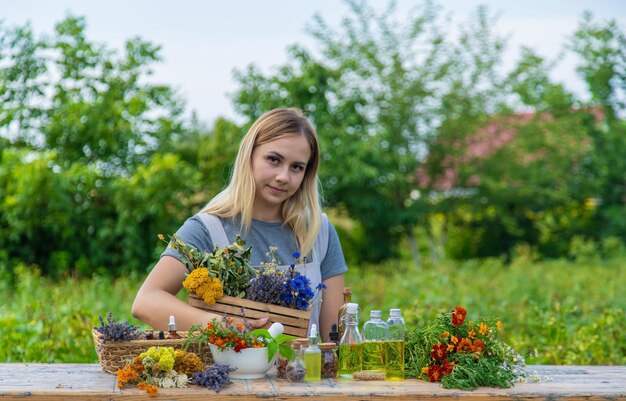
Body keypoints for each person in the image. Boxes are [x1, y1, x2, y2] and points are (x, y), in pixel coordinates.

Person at [132, 107, 348, 341]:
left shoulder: (319, 232)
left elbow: (332, 340)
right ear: (249, 156)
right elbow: (146, 302)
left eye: (297, 167)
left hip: (304, 375)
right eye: (274, 160)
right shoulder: (207, 229)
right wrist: (225, 325)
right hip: (230, 376)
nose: (284, 176)